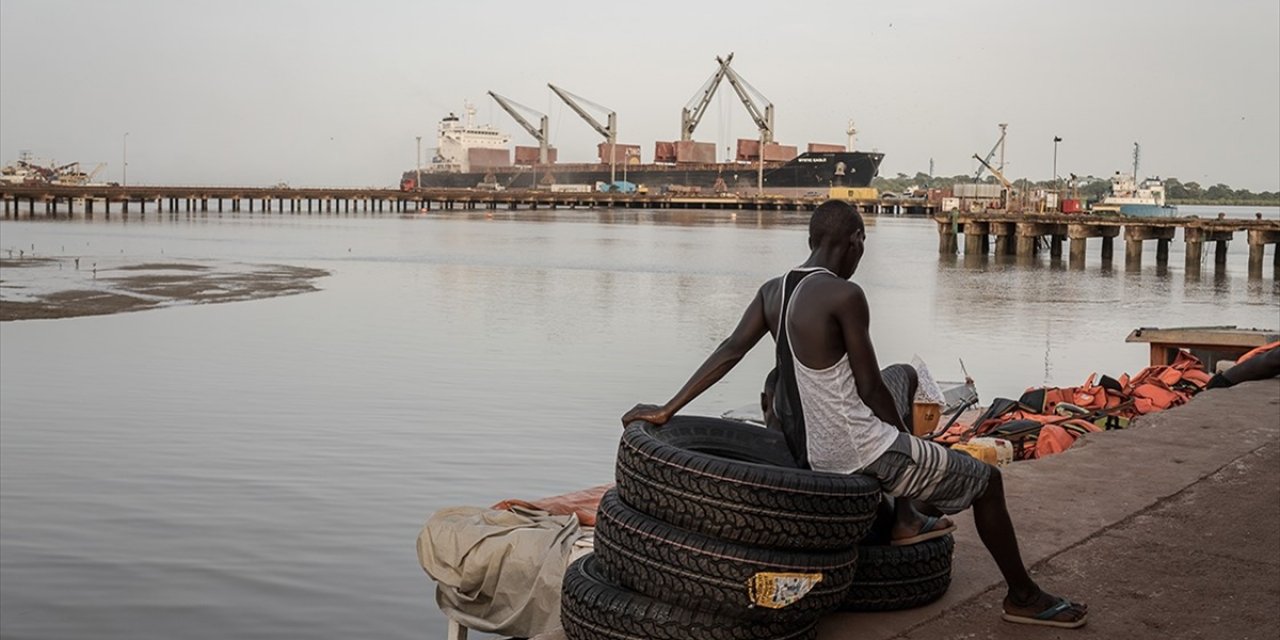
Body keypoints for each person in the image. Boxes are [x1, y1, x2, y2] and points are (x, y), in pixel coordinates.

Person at [622, 200, 1087, 629]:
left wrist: (668, 408)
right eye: (861, 245)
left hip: (811, 449)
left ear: (810, 239)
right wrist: (914, 442)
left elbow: (730, 351)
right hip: (860, 450)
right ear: (856, 241)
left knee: (901, 374)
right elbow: (867, 391)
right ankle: (1022, 597)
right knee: (987, 484)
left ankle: (907, 516)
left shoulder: (773, 291)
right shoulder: (845, 295)